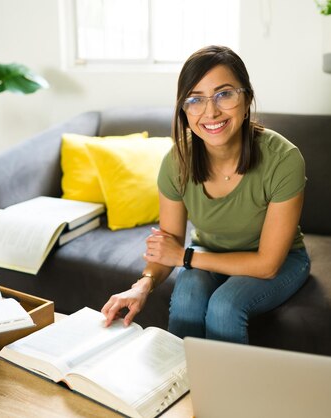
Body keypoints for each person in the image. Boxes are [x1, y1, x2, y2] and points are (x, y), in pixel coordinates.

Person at [101, 45, 310, 344]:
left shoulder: (284, 159)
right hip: (208, 253)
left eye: (224, 94)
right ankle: (175, 387)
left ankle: (227, 391)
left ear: (247, 97)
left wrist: (185, 257)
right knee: (186, 299)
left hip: (282, 260)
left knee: (225, 307)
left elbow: (267, 264)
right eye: (195, 100)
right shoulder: (177, 161)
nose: (211, 112)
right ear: (184, 111)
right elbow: (168, 246)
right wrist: (142, 285)